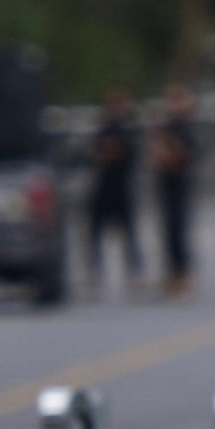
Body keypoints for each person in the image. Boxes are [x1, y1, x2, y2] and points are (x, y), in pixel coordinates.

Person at [81, 90, 142, 297]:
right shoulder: (103, 129)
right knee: (95, 232)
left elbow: (125, 154)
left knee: (129, 233)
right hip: (103, 187)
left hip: (122, 187)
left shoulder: (130, 130)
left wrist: (112, 151)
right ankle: (94, 273)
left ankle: (134, 274)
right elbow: (96, 154)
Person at [148, 83, 200, 299]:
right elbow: (155, 154)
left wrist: (173, 154)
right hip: (165, 183)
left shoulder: (185, 128)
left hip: (180, 183)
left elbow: (188, 155)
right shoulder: (166, 127)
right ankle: (172, 273)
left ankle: (182, 273)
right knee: (167, 230)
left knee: (179, 229)